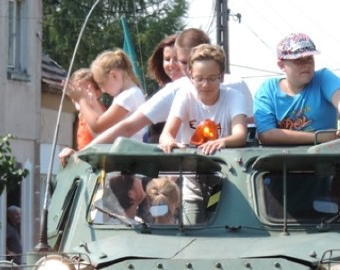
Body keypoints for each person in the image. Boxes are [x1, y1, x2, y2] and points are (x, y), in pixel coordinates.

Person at [59, 28, 253, 166]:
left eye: (187, 62)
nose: (185, 70)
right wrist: (81, 153)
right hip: (192, 171)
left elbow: (249, 132)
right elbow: (128, 126)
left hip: (231, 170)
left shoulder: (235, 88)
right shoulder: (180, 90)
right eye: (181, 62)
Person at [253, 33, 340, 145]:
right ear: (281, 65)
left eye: (309, 58)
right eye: (298, 60)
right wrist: (319, 137)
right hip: (282, 160)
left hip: (325, 158)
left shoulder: (323, 78)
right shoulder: (267, 90)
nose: (306, 64)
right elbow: (266, 134)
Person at [159, 44, 248, 155]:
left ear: (221, 76)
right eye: (199, 79)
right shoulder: (184, 95)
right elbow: (166, 134)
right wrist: (169, 142)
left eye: (211, 78)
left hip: (223, 163)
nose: (205, 85)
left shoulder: (235, 97)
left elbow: (240, 135)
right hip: (191, 162)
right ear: (191, 75)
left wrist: (222, 142)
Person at [64, 48, 147, 142]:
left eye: (102, 83)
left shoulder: (128, 97)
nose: (103, 90)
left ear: (113, 75)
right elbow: (103, 131)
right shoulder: (129, 94)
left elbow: (97, 126)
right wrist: (93, 104)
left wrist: (81, 99)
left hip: (126, 153)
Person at [68, 68, 105, 150]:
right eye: (75, 91)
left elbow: (102, 142)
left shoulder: (95, 113)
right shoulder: (82, 115)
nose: (77, 96)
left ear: (97, 93)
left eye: (82, 91)